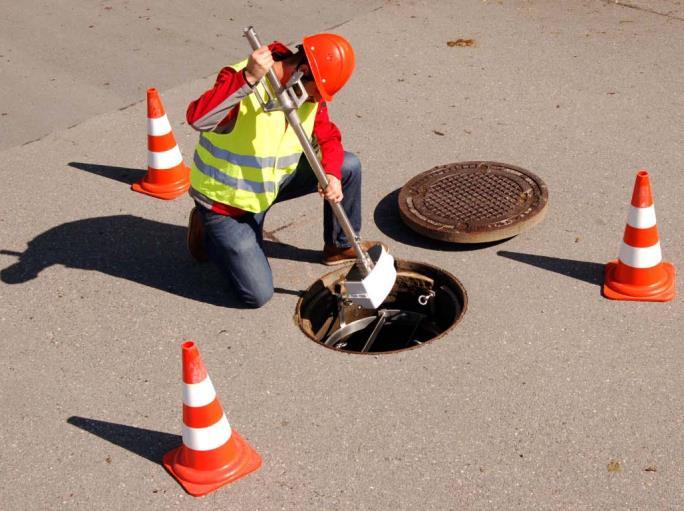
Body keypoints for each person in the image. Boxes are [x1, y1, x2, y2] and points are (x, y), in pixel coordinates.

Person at [185, 33, 378, 308]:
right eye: (316, 92)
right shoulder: (241, 79)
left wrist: (332, 175)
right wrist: (248, 79)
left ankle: (339, 246)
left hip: (272, 184)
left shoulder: (306, 91)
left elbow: (328, 138)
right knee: (257, 295)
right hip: (227, 204)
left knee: (347, 166)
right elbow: (198, 118)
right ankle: (206, 233)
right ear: (302, 72)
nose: (315, 100)